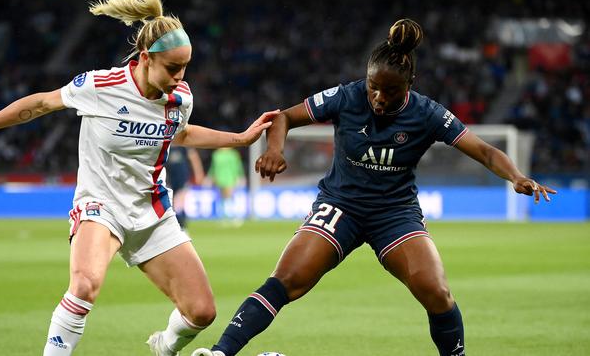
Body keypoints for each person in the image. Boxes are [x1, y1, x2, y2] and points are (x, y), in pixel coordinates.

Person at [191, 19, 556, 356]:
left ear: (409, 86)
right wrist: (274, 148)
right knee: (287, 280)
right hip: (341, 205)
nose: (379, 98)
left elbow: (485, 150)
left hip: (394, 212)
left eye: (391, 92)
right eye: (373, 88)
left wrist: (516, 176)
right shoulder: (347, 97)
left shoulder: (428, 113)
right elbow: (284, 116)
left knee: (437, 292)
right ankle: (220, 353)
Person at [0, 0, 278, 355]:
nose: (179, 76)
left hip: (152, 210)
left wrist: (240, 137)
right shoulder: (100, 87)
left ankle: (164, 348)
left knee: (202, 312)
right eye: (172, 68)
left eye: (184, 67)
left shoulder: (180, 97)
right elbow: (42, 102)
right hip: (101, 205)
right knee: (85, 285)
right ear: (145, 59)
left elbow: (181, 133)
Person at [166, 146, 204, 232]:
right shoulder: (166, 143)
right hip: (168, 179)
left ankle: (182, 228)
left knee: (178, 204)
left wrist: (198, 173)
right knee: (172, 205)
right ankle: (178, 228)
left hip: (182, 179)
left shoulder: (182, 144)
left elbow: (193, 157)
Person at [207, 147, 245, 224]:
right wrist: (241, 176)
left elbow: (237, 167)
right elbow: (238, 167)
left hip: (225, 178)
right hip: (226, 178)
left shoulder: (220, 154)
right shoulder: (228, 154)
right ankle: (228, 216)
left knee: (226, 198)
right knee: (226, 198)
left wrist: (240, 176)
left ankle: (229, 216)